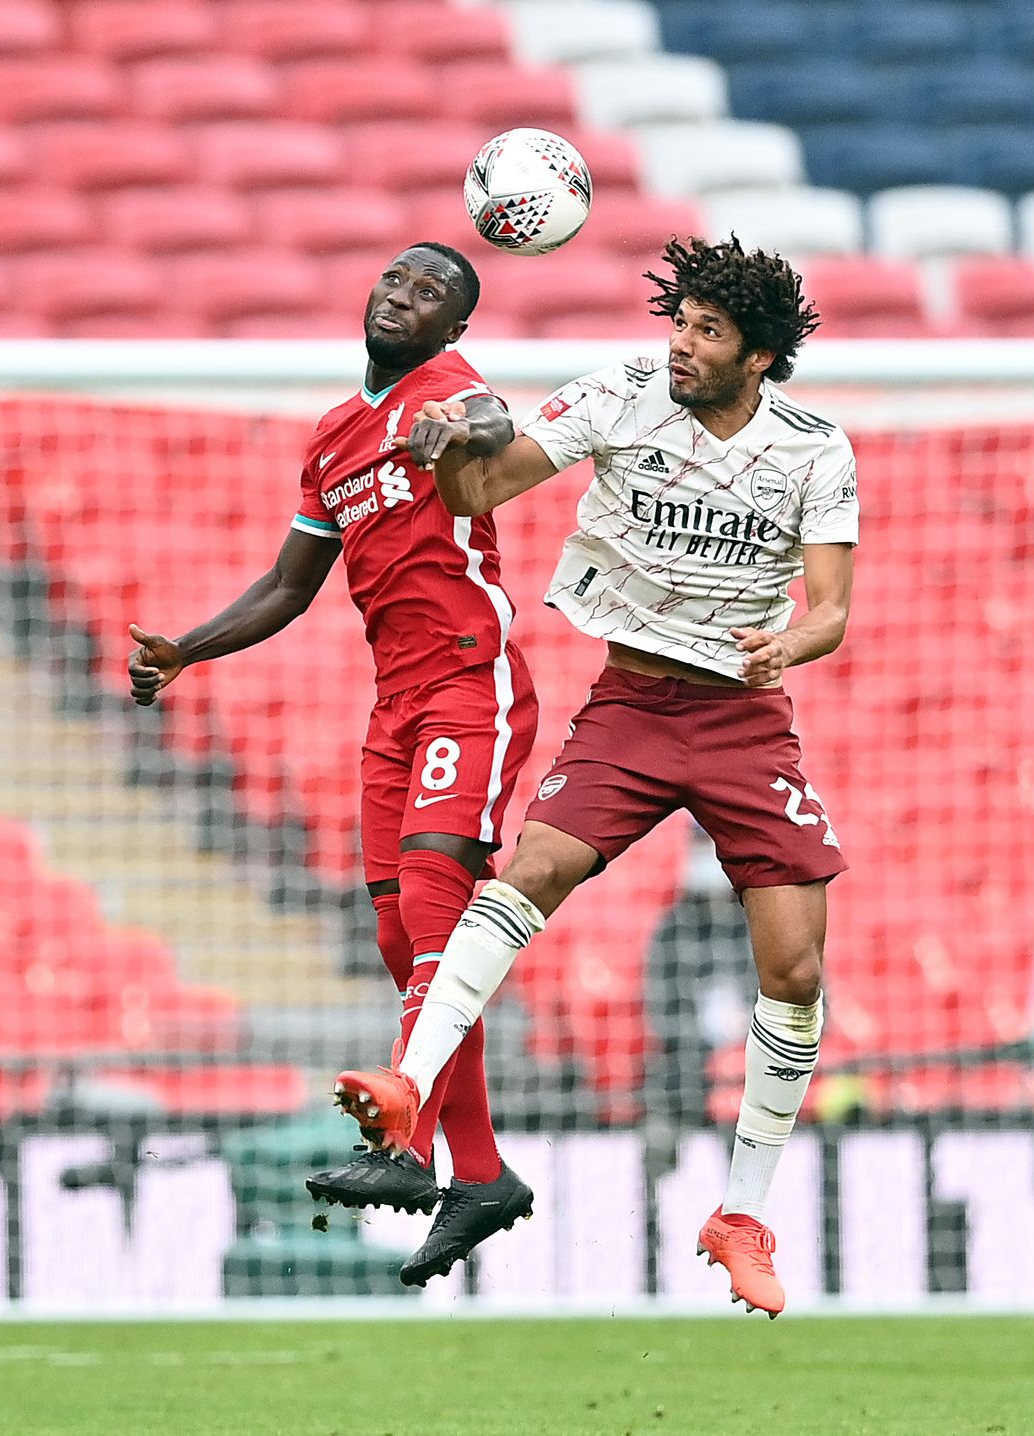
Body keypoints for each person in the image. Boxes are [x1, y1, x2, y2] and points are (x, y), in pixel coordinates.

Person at [333, 235, 858, 1316]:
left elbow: (834, 611)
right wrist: (450, 446)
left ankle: (741, 1212)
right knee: (525, 870)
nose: (681, 344)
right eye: (680, 321)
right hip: (631, 704)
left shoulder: (816, 450)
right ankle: (408, 1085)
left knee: (797, 972)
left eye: (708, 332)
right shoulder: (622, 391)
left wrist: (786, 648)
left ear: (758, 356)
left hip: (746, 720)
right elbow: (493, 477)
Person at [126, 242, 539, 1288]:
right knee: (403, 934)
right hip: (392, 702)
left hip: (466, 674)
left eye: (433, 293)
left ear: (455, 329)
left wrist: (466, 428)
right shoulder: (332, 439)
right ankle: (480, 1172)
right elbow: (287, 585)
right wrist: (187, 647)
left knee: (442, 901)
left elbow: (496, 426)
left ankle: (404, 1145)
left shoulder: (450, 390)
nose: (405, 297)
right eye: (398, 280)